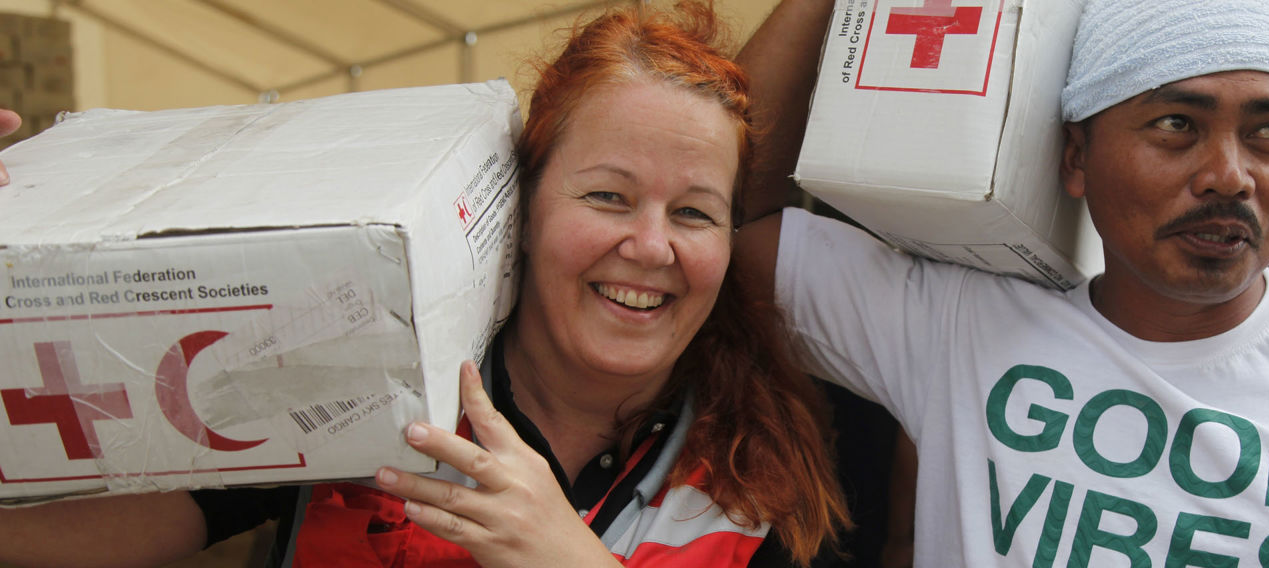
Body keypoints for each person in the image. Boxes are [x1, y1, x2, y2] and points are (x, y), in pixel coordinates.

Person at [0, 3, 849, 567]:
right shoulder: (368, 368)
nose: (651, 245)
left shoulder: (758, 478)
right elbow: (60, 535)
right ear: (522, 207)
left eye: (694, 213)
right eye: (607, 196)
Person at [729, 0, 1269, 565]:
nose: (1230, 175)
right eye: (1176, 125)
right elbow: (720, 215)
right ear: (1076, 157)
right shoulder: (955, 325)